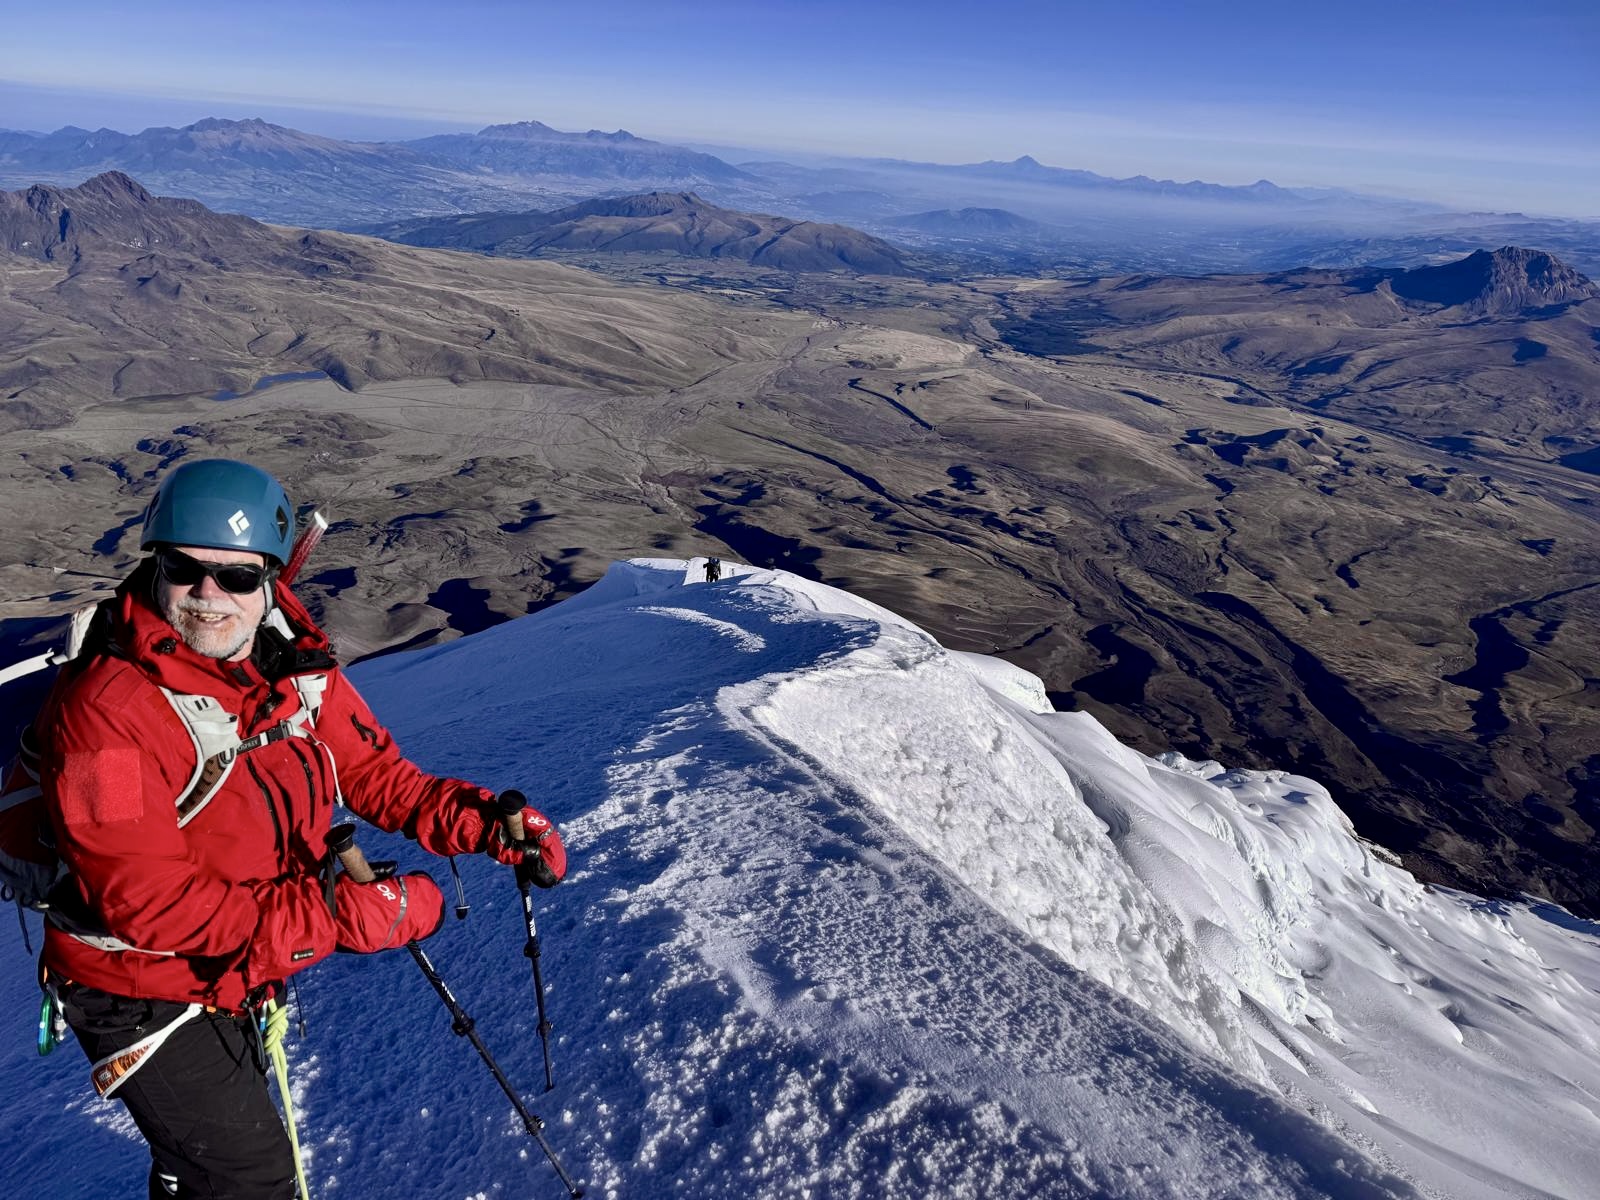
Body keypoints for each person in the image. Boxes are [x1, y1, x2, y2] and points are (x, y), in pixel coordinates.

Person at [33, 458, 567, 1200]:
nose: (209, 596)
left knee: (207, 1170)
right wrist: (337, 917)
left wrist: (482, 824)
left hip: (241, 960)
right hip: (140, 985)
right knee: (251, 1180)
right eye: (184, 569)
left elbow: (374, 774)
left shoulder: (291, 662)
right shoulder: (104, 719)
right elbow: (145, 902)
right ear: (156, 565)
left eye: (237, 577)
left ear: (272, 579)